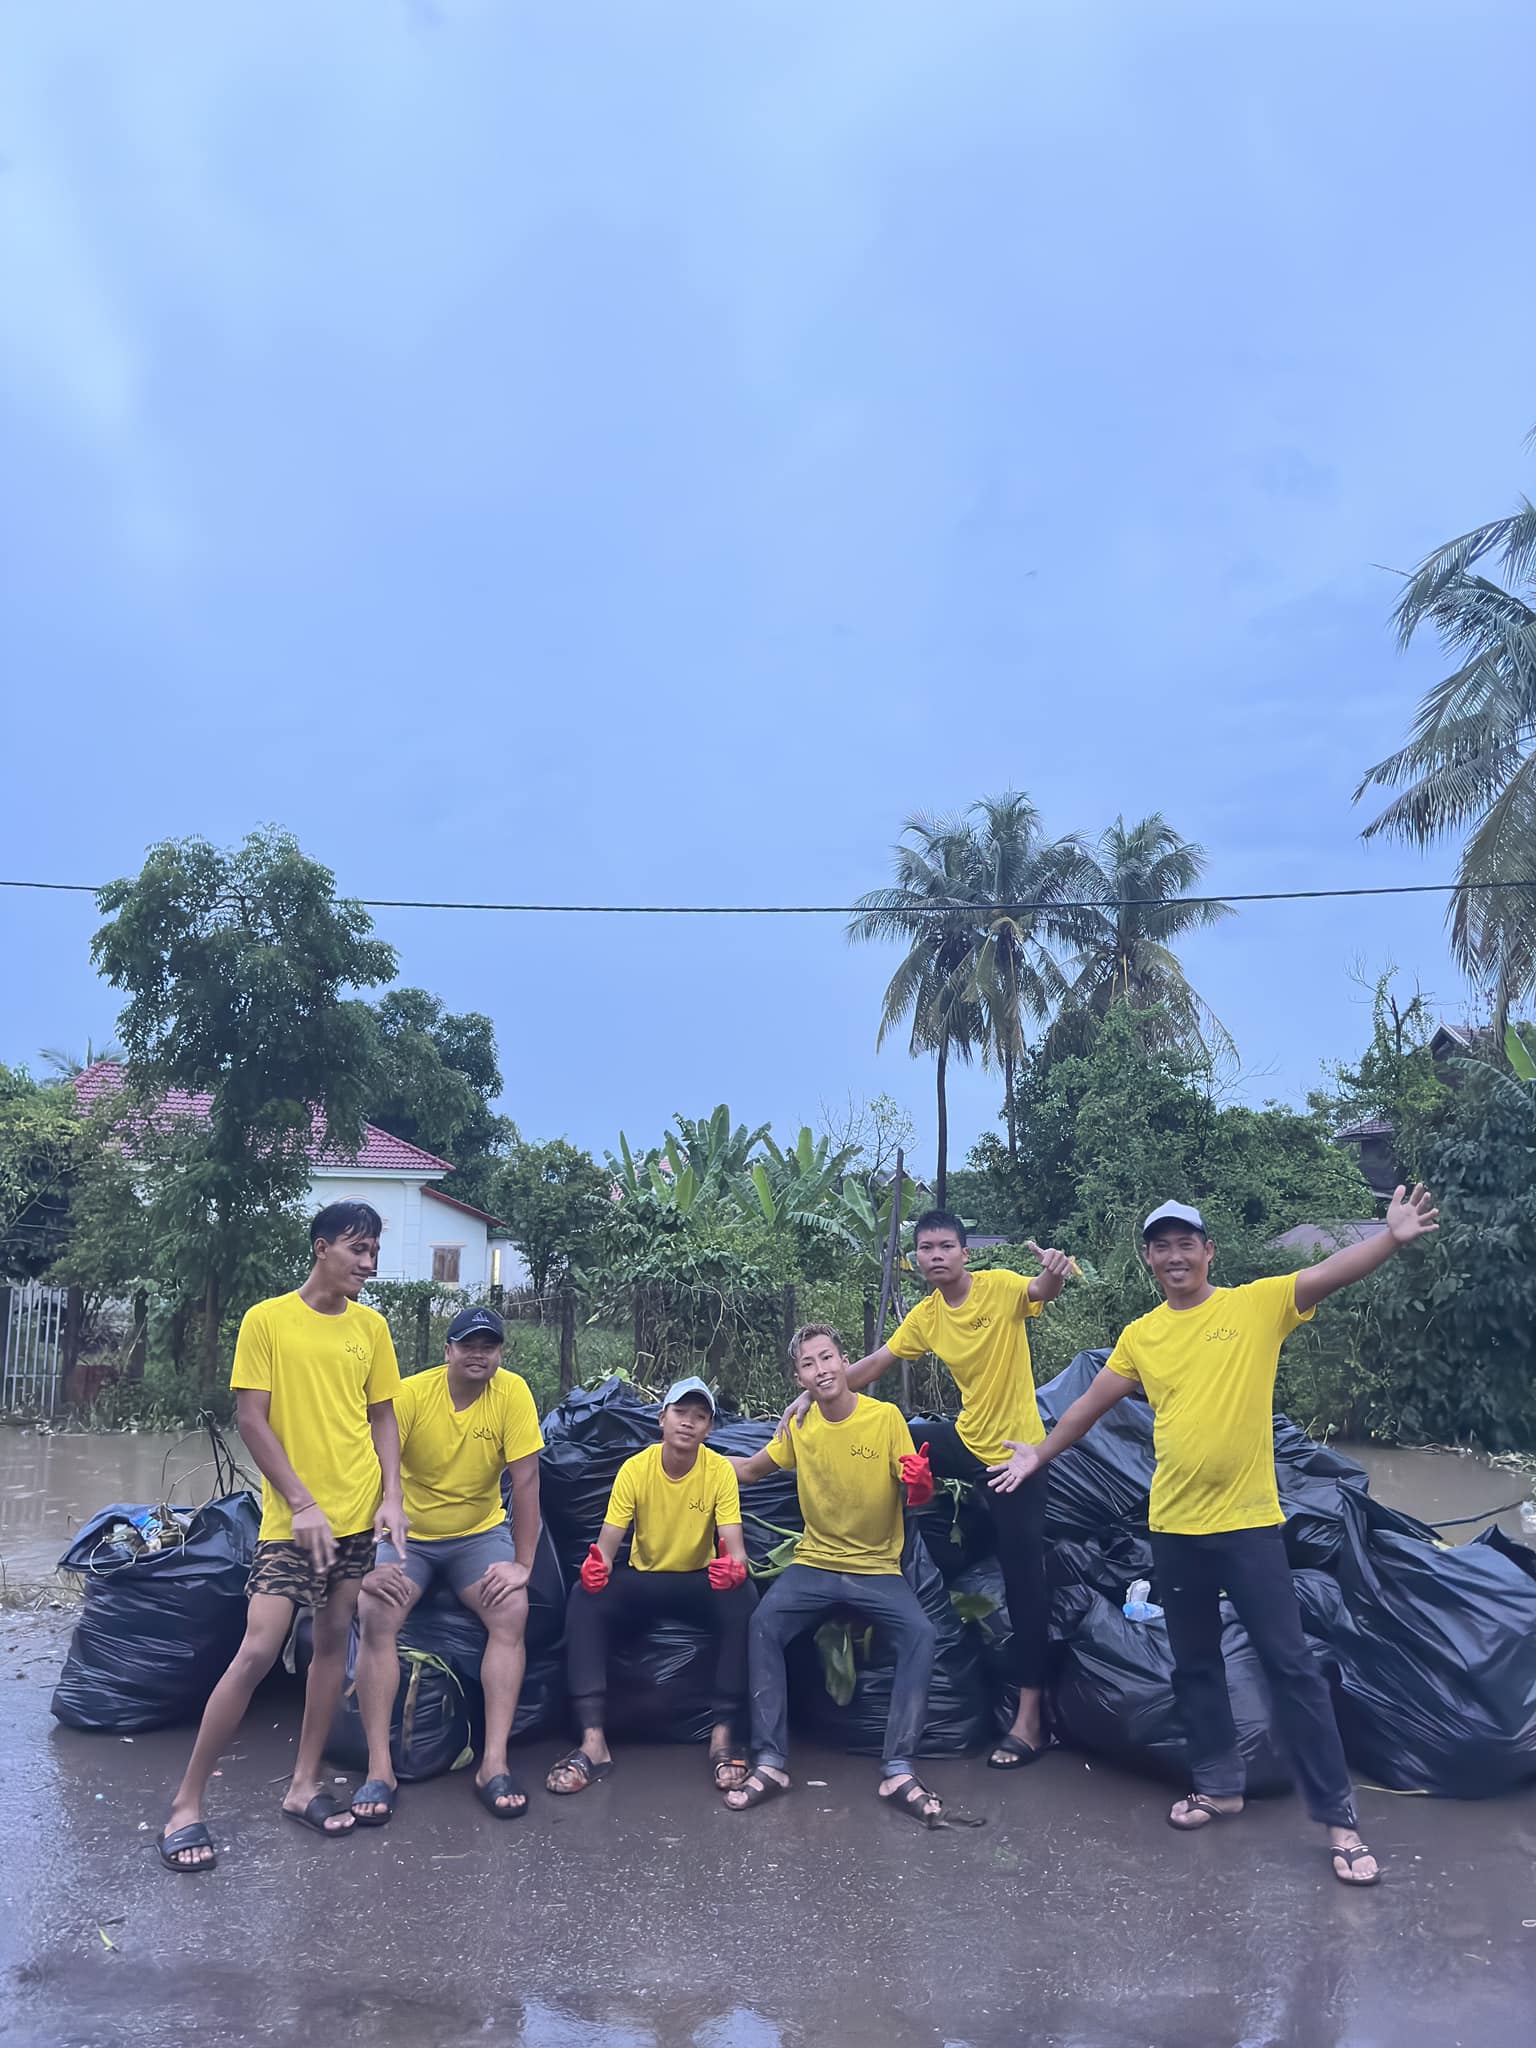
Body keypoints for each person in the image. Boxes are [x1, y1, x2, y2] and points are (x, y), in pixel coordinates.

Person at [987, 1188, 1442, 1888]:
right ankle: (1219, 1785)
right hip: (1173, 1527)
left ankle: (1340, 1823)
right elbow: (1087, 1407)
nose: (1174, 1256)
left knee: (1291, 1667)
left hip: (1249, 1525)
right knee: (1194, 1665)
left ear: (1208, 1252)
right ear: (1149, 1259)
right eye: (1161, 1246)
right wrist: (1038, 1454)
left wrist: (1391, 1238)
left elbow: (1330, 1273)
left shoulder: (1254, 1305)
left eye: (1185, 1244)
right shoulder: (1142, 1335)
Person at [158, 1201, 406, 1872]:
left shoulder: (372, 1328)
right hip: (293, 1522)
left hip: (356, 1516)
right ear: (322, 1247)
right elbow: (252, 1420)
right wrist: (301, 1502)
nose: (369, 1263)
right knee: (258, 1649)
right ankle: (186, 1804)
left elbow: (383, 1417)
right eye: (357, 1249)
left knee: (331, 1645)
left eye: (374, 1251)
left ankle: (303, 1785)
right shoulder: (267, 1320)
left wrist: (392, 1496)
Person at [781, 1209, 1072, 1771]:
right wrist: (810, 1394)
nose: (935, 1256)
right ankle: (867, 1553)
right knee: (902, 1440)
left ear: (965, 1252)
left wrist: (1054, 1272)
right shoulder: (928, 1314)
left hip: (1015, 1457)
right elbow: (876, 1363)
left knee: (1024, 1584)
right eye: (925, 1248)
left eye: (945, 1246)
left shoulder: (999, 1288)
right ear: (916, 1259)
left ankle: (1031, 1720)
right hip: (965, 1438)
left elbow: (1042, 1290)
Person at [731, 1324, 979, 1827]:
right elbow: (751, 1470)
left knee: (921, 1633)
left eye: (827, 1358)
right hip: (815, 1562)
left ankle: (898, 1768)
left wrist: (921, 1483)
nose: (821, 1370)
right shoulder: (800, 1425)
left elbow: (916, 1492)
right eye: (808, 1364)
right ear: (798, 1378)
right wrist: (687, 1457)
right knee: (762, 1624)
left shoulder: (884, 1418)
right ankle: (771, 1761)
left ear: (845, 1362)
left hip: (876, 1567)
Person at [349, 1303, 544, 1824]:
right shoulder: (412, 1395)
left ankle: (493, 1763)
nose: (479, 1355)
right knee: (375, 1611)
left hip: (477, 1535)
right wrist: (365, 1558)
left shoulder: (513, 1394)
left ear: (500, 1353)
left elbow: (526, 1481)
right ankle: (380, 1768)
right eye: (468, 1345)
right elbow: (371, 1474)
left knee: (512, 1610)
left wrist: (523, 1564)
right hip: (409, 1536)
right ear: (448, 1351)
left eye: (489, 1346)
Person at [546, 1376, 756, 1796]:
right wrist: (596, 1567)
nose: (688, 1422)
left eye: (700, 1416)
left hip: (698, 1580)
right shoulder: (636, 1469)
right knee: (585, 1597)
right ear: (662, 1418)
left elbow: (736, 1552)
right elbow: (606, 1546)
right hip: (645, 1578)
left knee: (745, 1597)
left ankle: (723, 1735)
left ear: (709, 1428)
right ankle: (593, 1741)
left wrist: (734, 1570)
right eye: (680, 1412)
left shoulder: (718, 1470)